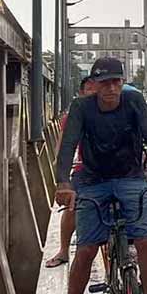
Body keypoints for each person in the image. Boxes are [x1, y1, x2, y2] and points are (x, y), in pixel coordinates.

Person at [48, 57, 147, 294]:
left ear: (123, 82)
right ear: (93, 84)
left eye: (117, 81)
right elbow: (67, 146)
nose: (111, 88)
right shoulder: (81, 108)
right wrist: (63, 182)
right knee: (87, 249)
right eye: (105, 82)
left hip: (130, 177)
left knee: (144, 240)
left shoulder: (134, 101)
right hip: (93, 181)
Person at [44, 76, 96, 268]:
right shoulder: (76, 115)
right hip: (86, 168)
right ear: (81, 93)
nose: (94, 92)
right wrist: (62, 173)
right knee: (72, 204)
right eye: (89, 89)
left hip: (114, 169)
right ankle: (64, 250)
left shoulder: (115, 109)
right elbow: (64, 145)